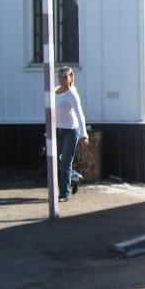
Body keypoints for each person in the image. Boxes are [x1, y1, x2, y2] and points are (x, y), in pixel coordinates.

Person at [54, 66, 89, 202]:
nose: (62, 79)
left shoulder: (72, 94)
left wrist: (84, 135)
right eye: (60, 77)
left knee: (66, 161)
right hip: (57, 130)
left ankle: (64, 193)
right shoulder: (55, 91)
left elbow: (80, 115)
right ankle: (74, 178)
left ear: (71, 78)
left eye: (65, 77)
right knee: (55, 159)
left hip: (70, 131)